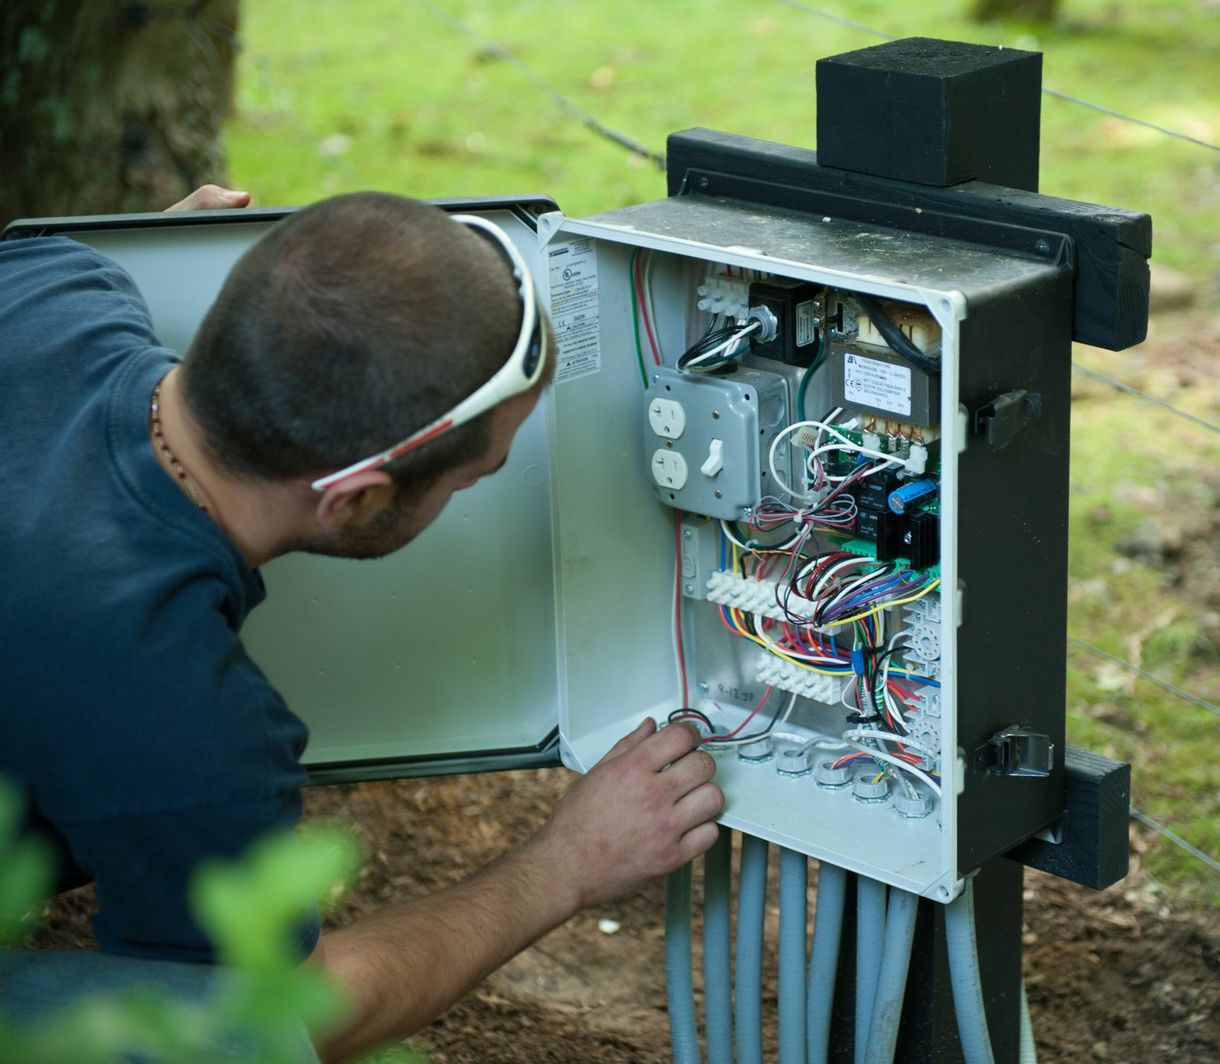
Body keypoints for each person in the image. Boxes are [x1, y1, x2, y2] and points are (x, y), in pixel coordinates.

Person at [0, 185, 724, 1061]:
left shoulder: (53, 283)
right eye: (474, 480)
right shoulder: (177, 720)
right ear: (357, 500)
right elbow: (284, 1018)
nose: (475, 492)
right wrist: (565, 865)